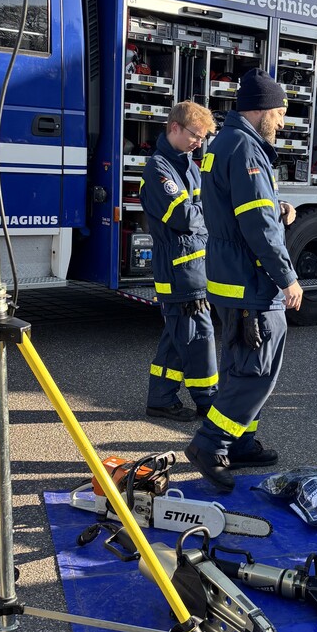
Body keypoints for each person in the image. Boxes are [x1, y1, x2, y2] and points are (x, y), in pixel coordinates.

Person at [184, 68, 303, 492]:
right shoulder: (247, 149)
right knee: (255, 372)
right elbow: (257, 226)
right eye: (280, 112)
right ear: (262, 110)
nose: (282, 122)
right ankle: (210, 443)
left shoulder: (229, 142)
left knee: (243, 365)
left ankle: (240, 442)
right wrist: (287, 277)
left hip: (231, 277)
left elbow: (245, 209)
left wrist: (277, 206)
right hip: (251, 283)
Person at [141, 101, 218, 421]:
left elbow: (199, 209)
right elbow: (184, 216)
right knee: (199, 337)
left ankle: (160, 398)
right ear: (174, 127)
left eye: (203, 138)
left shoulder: (188, 164)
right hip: (179, 270)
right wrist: (214, 217)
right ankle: (208, 399)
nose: (198, 142)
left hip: (192, 267)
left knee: (177, 337)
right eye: (195, 135)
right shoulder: (159, 168)